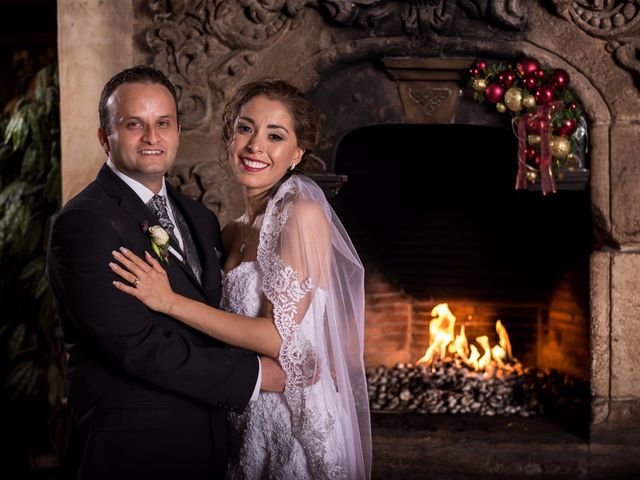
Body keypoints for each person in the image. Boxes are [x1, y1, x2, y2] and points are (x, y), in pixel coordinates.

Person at [110, 79, 372, 479]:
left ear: (297, 153)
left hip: (289, 417)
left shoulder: (301, 215)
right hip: (242, 409)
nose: (255, 147)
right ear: (230, 137)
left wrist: (169, 301)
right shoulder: (230, 231)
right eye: (246, 128)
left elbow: (279, 338)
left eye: (275, 136)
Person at [46, 65, 285, 480]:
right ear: (106, 137)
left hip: (209, 440)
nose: (152, 138)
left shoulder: (200, 218)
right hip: (131, 449)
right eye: (134, 124)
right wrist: (256, 373)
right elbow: (136, 346)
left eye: (163, 123)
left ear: (177, 131)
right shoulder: (84, 223)